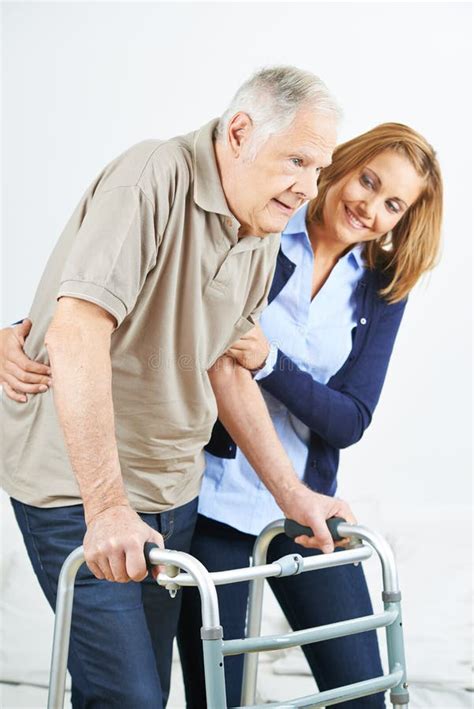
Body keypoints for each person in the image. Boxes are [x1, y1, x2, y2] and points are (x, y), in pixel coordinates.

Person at [0, 66, 358, 707]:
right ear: (241, 131)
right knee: (129, 699)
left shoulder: (261, 229)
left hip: (171, 488)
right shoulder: (152, 179)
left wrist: (294, 496)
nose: (308, 187)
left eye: (318, 168)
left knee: (138, 692)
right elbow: (77, 328)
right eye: (297, 160)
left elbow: (226, 366)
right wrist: (107, 506)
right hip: (78, 486)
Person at [176, 123, 443, 707]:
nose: (368, 206)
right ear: (343, 165)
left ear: (403, 219)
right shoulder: (262, 233)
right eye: (367, 182)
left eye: (392, 203)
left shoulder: (380, 290)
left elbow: (349, 420)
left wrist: (271, 364)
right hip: (213, 501)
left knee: (362, 694)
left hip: (307, 509)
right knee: (219, 698)